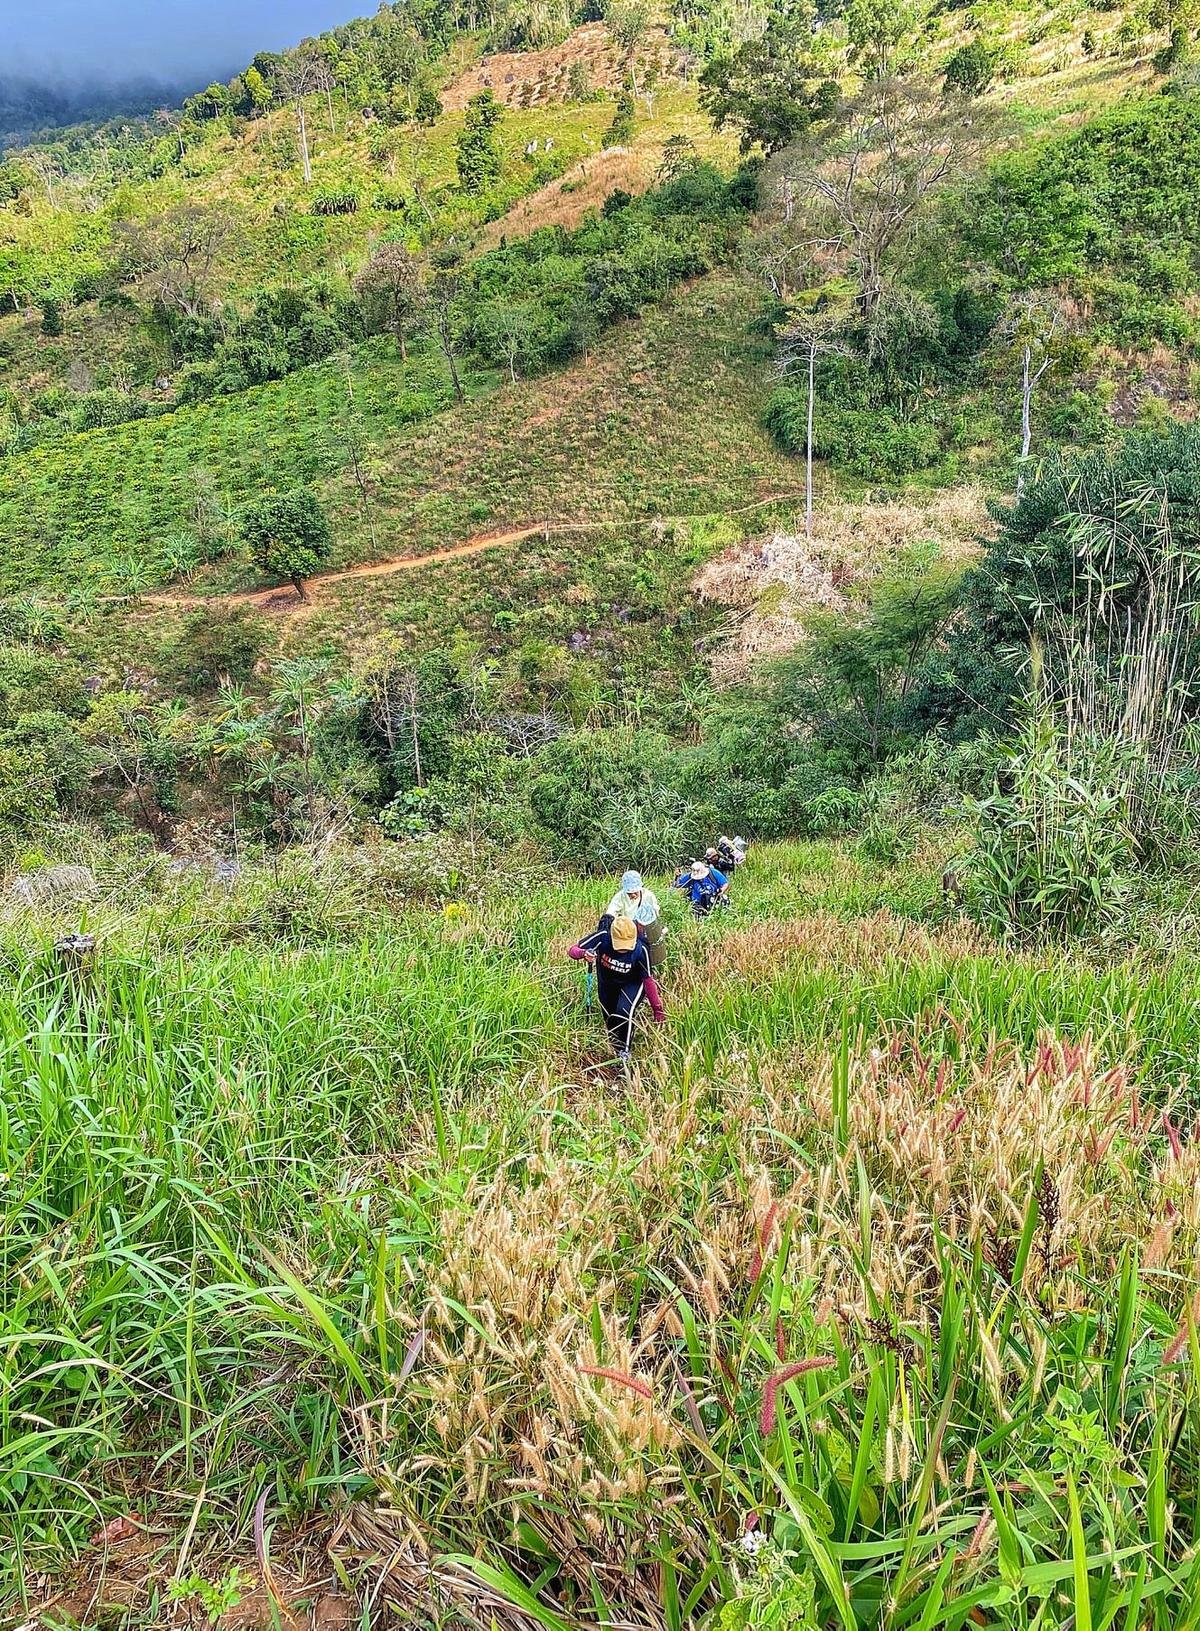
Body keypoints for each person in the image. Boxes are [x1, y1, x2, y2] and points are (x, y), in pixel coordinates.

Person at [569, 914, 665, 1064]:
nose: (623, 950)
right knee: (610, 1017)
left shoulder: (641, 949)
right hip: (607, 983)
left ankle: (625, 1052)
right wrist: (584, 954)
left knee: (624, 1012)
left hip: (633, 983)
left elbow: (648, 980)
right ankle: (614, 1047)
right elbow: (573, 950)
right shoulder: (602, 938)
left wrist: (657, 1010)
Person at [605, 870, 666, 969]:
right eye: (629, 893)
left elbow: (655, 914)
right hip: (628, 931)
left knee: (647, 956)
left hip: (645, 930)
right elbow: (610, 913)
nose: (632, 895)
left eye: (635, 892)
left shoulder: (649, 896)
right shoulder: (620, 897)